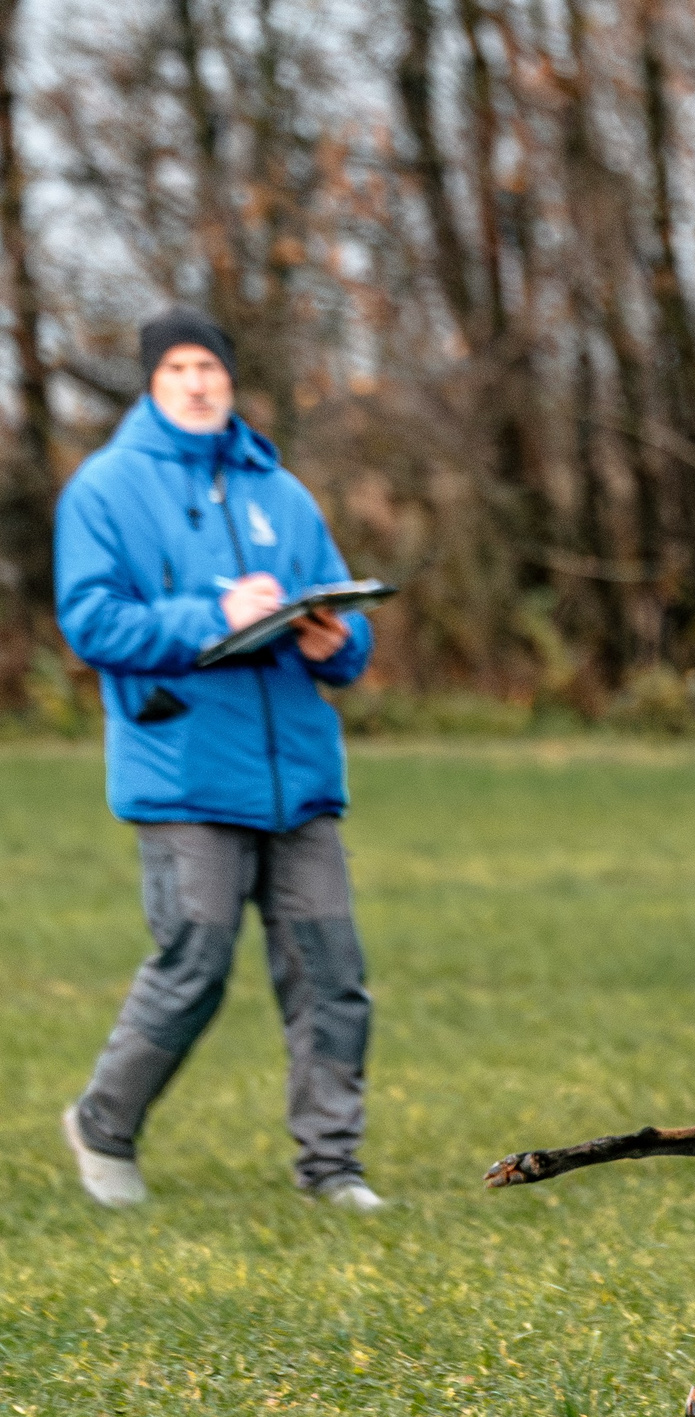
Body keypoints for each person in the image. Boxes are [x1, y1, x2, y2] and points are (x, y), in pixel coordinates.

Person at [56, 308, 387, 1212]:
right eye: (179, 369)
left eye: (211, 367)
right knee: (193, 967)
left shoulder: (282, 491)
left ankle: (332, 1168)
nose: (198, 382)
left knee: (334, 976)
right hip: (184, 772)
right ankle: (103, 1124)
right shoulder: (105, 490)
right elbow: (90, 621)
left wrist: (335, 644)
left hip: (300, 779)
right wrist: (215, 614)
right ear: (152, 383)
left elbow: (343, 631)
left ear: (231, 380)